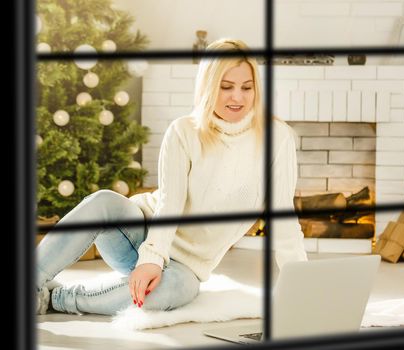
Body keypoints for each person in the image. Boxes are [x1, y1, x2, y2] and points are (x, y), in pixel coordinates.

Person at [35, 38, 308, 316]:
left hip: (187, 266)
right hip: (140, 233)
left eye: (246, 88)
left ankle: (57, 299)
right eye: (226, 87)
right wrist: (151, 258)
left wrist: (303, 286)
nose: (237, 97)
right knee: (103, 201)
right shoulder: (184, 131)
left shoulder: (277, 138)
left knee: (173, 291)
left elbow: (283, 218)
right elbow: (170, 202)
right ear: (208, 87)